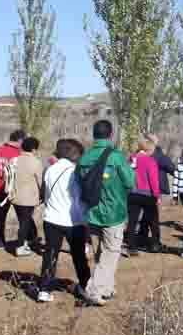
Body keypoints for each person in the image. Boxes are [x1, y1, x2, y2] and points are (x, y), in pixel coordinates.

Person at [76, 120, 135, 306]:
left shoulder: (84, 158)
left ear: (94, 135)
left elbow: (79, 183)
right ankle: (94, 290)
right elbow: (130, 183)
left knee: (101, 254)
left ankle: (106, 288)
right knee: (111, 253)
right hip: (113, 213)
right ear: (111, 135)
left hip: (92, 213)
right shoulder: (117, 158)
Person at [37, 138, 87, 303]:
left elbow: (44, 195)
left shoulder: (50, 170)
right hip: (74, 220)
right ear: (74, 154)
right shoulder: (75, 171)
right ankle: (86, 286)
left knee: (50, 254)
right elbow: (80, 197)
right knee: (78, 255)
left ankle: (43, 289)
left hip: (51, 218)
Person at [0, 130, 24, 252]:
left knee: (0, 216)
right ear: (19, 140)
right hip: (16, 189)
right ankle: (28, 239)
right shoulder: (19, 153)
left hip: (1, 188)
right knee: (24, 215)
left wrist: (1, 174)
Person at [9, 136, 44, 257]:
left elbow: (8, 177)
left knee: (24, 219)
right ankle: (20, 246)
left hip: (14, 196)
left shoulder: (14, 160)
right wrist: (43, 195)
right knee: (24, 222)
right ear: (34, 149)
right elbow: (40, 181)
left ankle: (31, 238)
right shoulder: (36, 162)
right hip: (28, 198)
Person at [127, 135, 161, 254]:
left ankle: (131, 246)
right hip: (147, 194)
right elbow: (153, 180)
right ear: (148, 150)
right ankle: (155, 244)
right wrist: (157, 195)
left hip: (132, 193)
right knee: (153, 220)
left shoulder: (131, 159)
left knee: (132, 220)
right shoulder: (150, 161)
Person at [149, 134, 176, 199]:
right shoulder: (157, 154)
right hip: (157, 189)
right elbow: (170, 167)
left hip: (140, 190)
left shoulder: (137, 154)